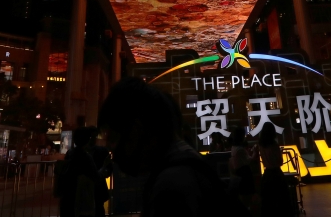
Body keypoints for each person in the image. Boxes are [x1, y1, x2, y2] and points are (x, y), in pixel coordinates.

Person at [98, 77, 244, 217]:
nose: (112, 150)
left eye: (113, 138)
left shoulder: (170, 188)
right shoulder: (188, 165)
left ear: (136, 129)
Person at [58, 127, 109, 217]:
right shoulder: (86, 157)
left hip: (69, 200)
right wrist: (104, 166)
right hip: (84, 201)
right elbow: (96, 176)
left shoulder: (70, 153)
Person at [253, 122, 295, 217]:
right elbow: (279, 162)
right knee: (281, 202)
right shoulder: (274, 145)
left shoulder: (260, 145)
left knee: (268, 202)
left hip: (267, 174)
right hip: (277, 175)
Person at [228, 128, 255, 209]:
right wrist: (255, 152)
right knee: (247, 201)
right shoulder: (240, 149)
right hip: (245, 176)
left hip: (239, 176)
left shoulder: (234, 148)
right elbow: (249, 160)